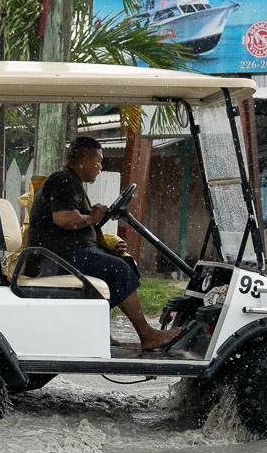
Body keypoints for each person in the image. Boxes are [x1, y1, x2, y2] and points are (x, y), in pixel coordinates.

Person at [25, 136, 181, 351]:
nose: (100, 168)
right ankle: (147, 335)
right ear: (85, 160)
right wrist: (93, 217)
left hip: (63, 254)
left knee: (125, 264)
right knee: (119, 270)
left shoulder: (70, 180)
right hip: (56, 259)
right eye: (98, 162)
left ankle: (97, 329)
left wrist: (106, 242)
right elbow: (64, 219)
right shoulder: (64, 180)